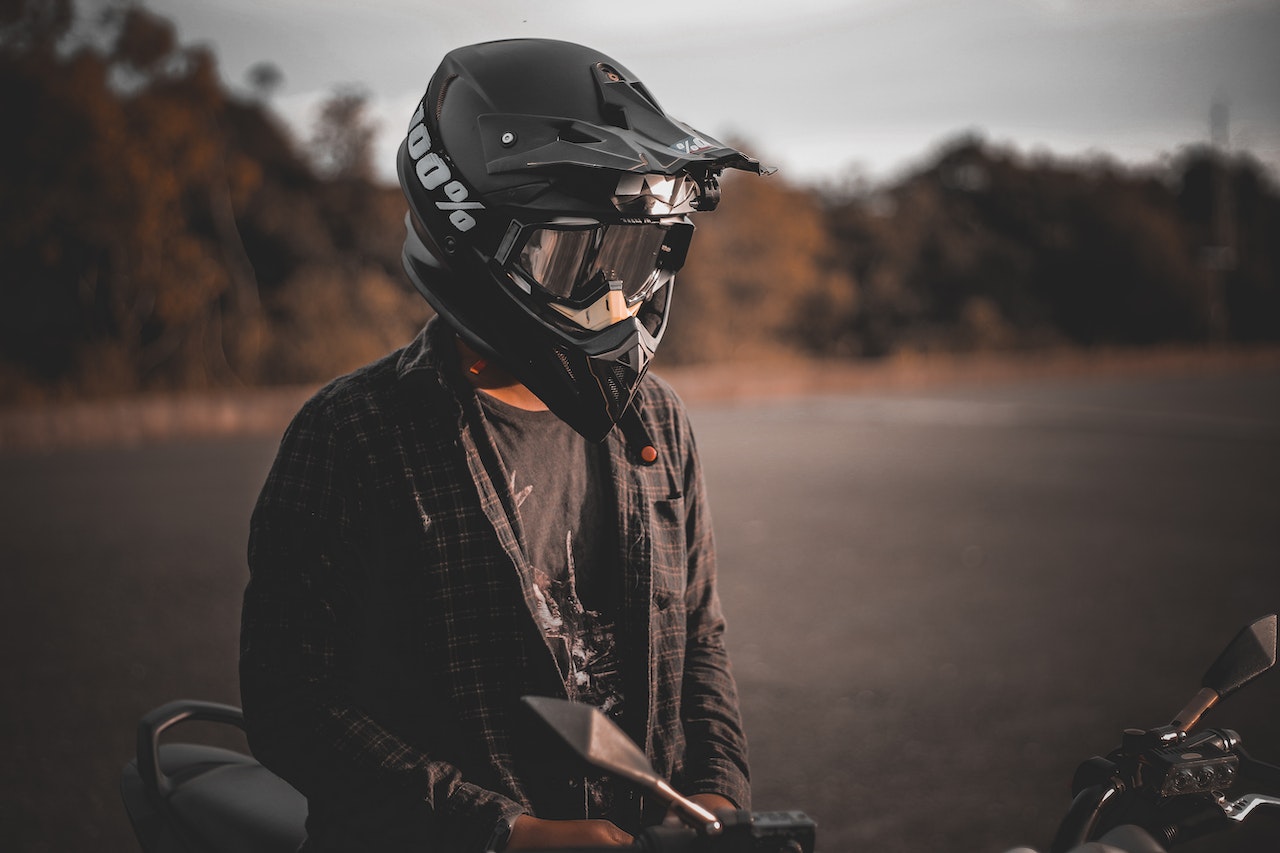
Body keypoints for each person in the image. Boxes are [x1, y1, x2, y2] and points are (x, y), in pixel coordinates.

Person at [240, 38, 771, 853]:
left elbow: (697, 635)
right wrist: (503, 832)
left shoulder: (656, 425)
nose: (615, 295)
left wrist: (715, 794)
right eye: (575, 257)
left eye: (634, 253)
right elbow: (291, 703)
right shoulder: (353, 436)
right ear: (470, 236)